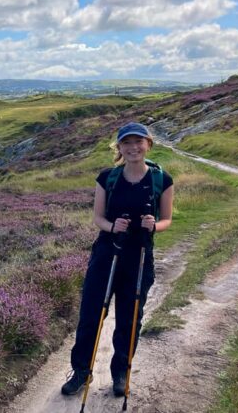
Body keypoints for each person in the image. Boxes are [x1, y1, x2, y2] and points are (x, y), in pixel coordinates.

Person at [61, 122, 174, 397]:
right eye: (127, 143)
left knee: (130, 317)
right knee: (91, 314)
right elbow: (98, 218)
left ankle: (121, 371)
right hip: (106, 254)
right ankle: (81, 372)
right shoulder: (107, 178)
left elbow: (167, 219)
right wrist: (112, 227)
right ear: (119, 148)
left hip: (139, 257)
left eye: (138, 142)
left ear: (148, 144)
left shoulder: (162, 179)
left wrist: (153, 225)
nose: (133, 148)